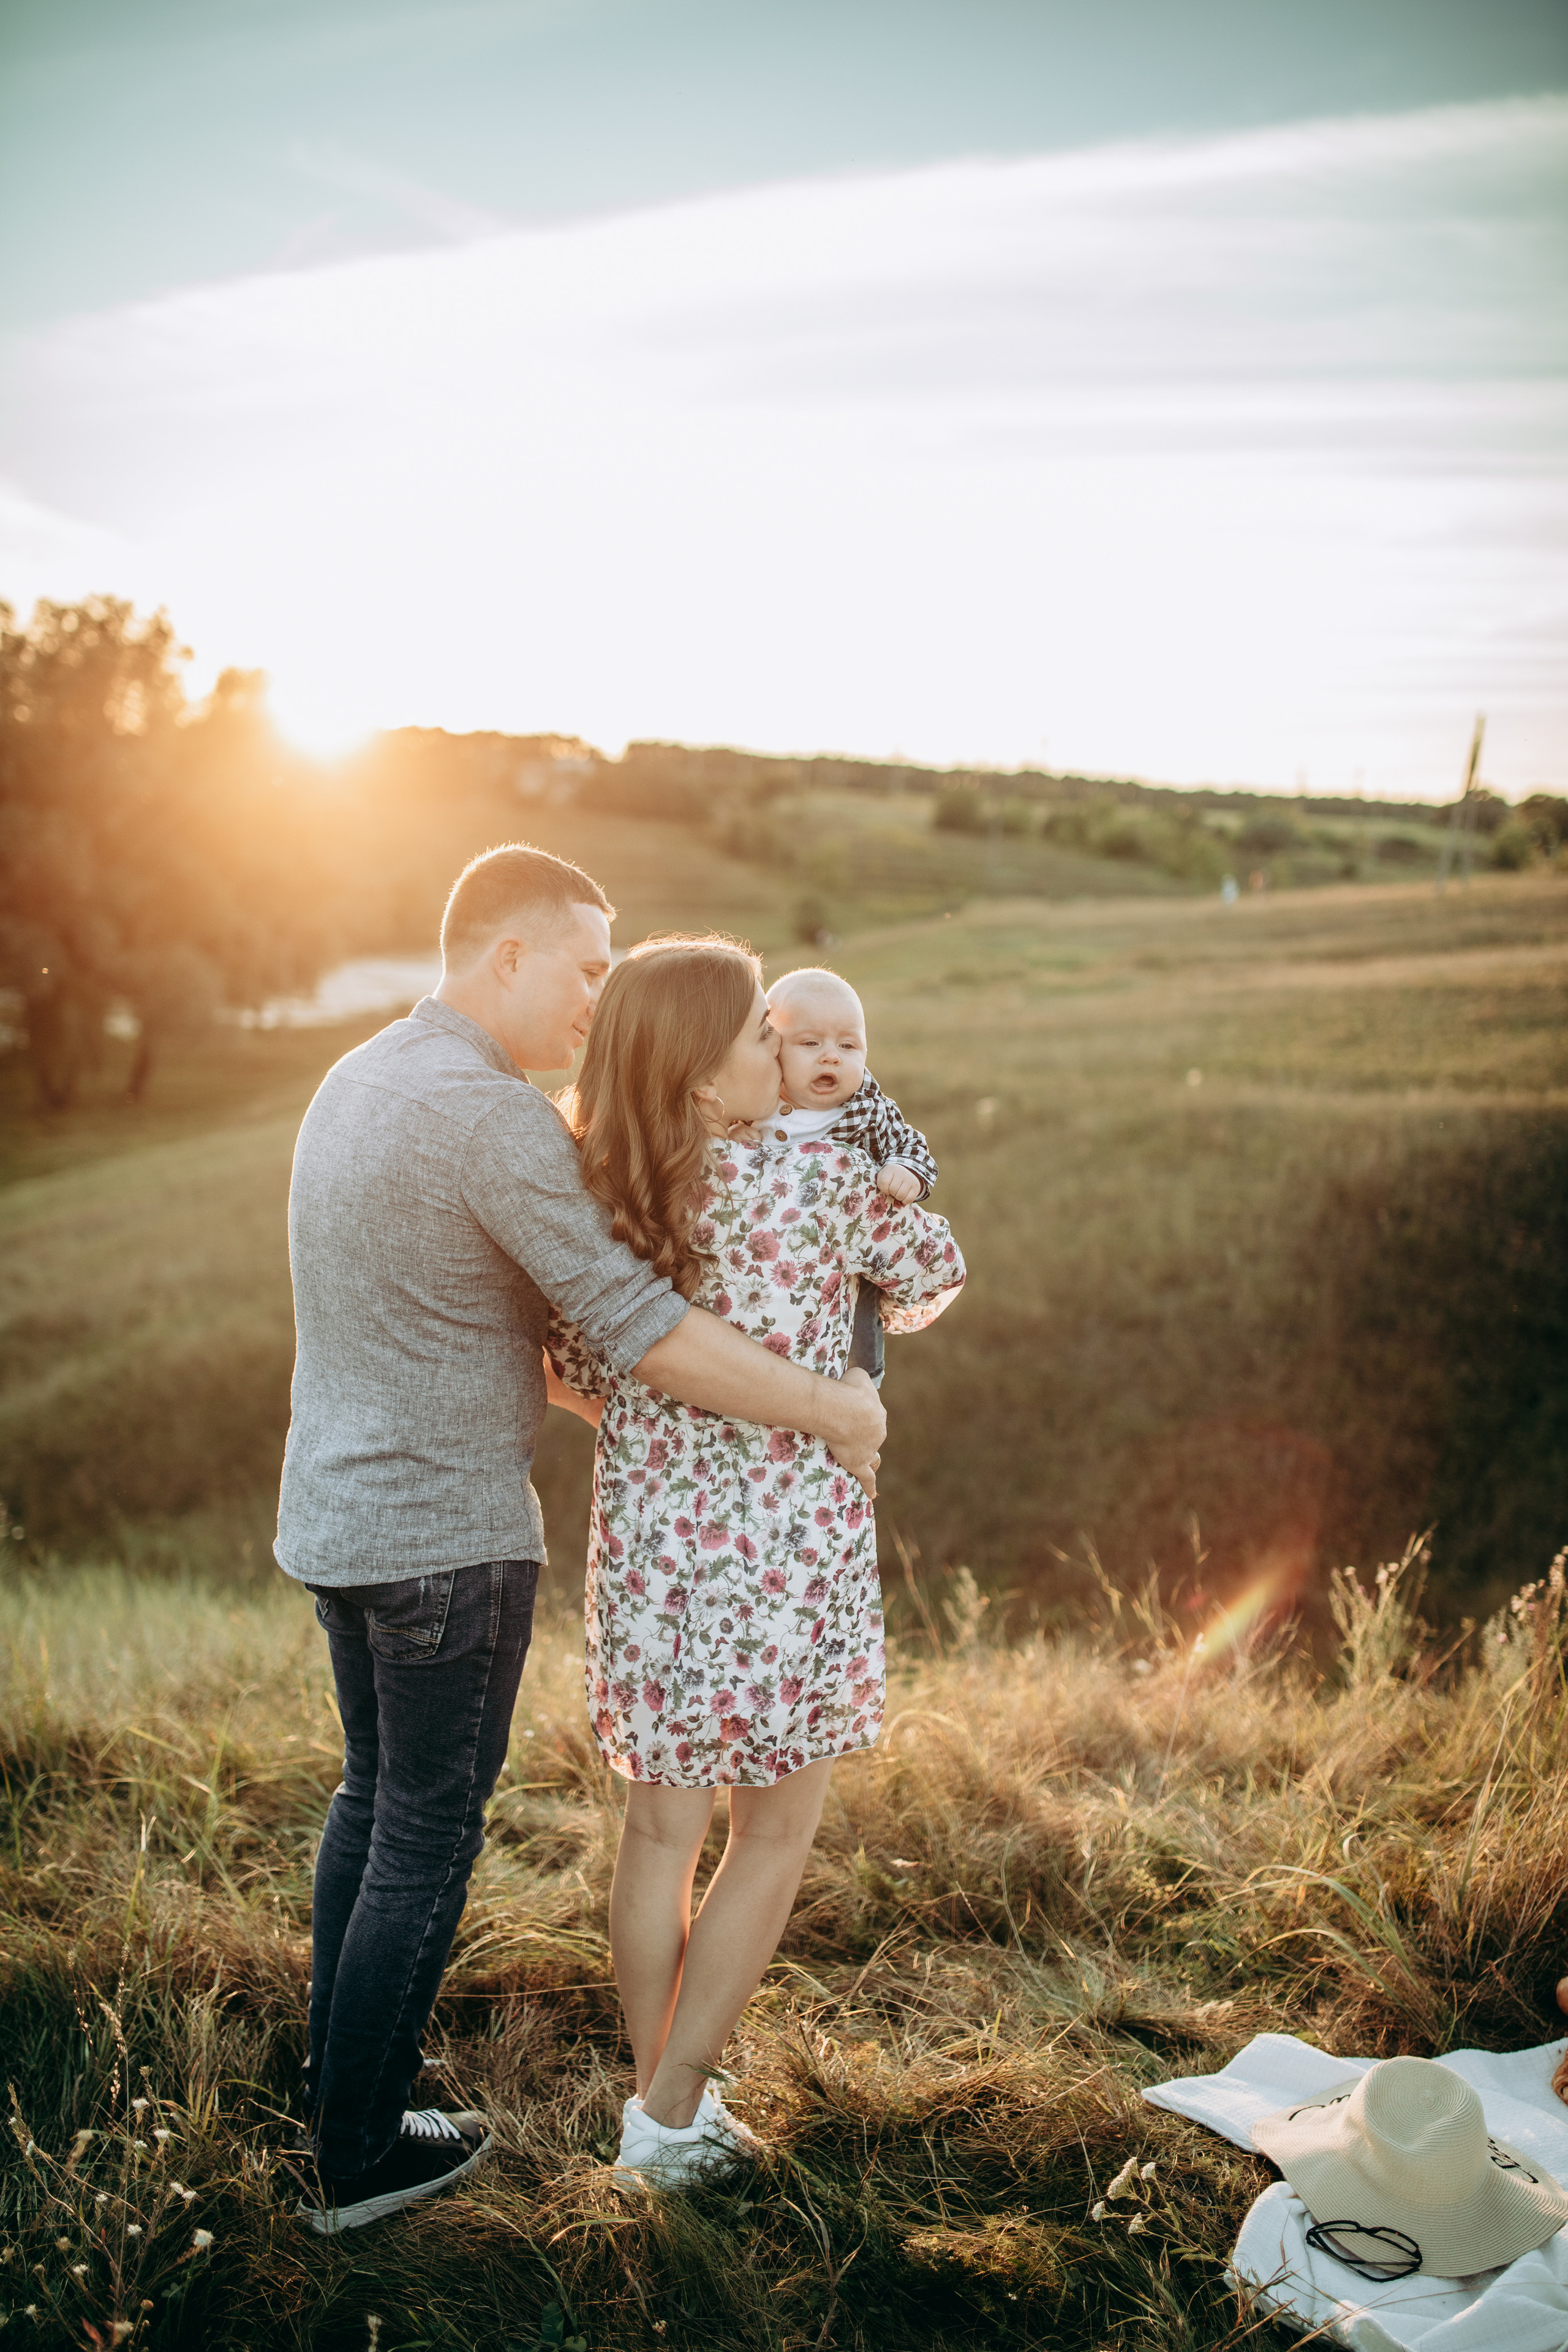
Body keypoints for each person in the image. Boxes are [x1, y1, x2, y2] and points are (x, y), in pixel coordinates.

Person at [276, 848, 885, 2234]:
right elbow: (639, 1326)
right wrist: (832, 1405)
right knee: (423, 1830)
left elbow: (541, 1334)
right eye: (587, 965)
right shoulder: (488, 1116)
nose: (599, 998)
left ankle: (344, 2096)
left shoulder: (362, 1076)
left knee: (371, 1802)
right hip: (442, 1535)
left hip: (340, 1518)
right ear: (506, 955)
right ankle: (358, 2155)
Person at [544, 935, 964, 2187]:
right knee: (771, 1835)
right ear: (701, 1069)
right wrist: (889, 1194)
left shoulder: (605, 1188)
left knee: (657, 1836)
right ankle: (669, 2118)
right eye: (754, 1037)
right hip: (788, 1535)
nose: (780, 1053)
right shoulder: (824, 1180)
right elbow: (935, 1277)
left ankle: (651, 2109)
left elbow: (573, 1372)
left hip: (656, 1541)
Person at [764, 964, 938, 1385]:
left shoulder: (867, 1110)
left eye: (849, 1045)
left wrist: (906, 1172)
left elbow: (913, 1147)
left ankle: (862, 1384)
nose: (832, 1056)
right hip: (775, 1259)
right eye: (810, 1043)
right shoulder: (760, 1105)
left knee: (857, 1329)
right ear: (771, 1048)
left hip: (846, 1268)